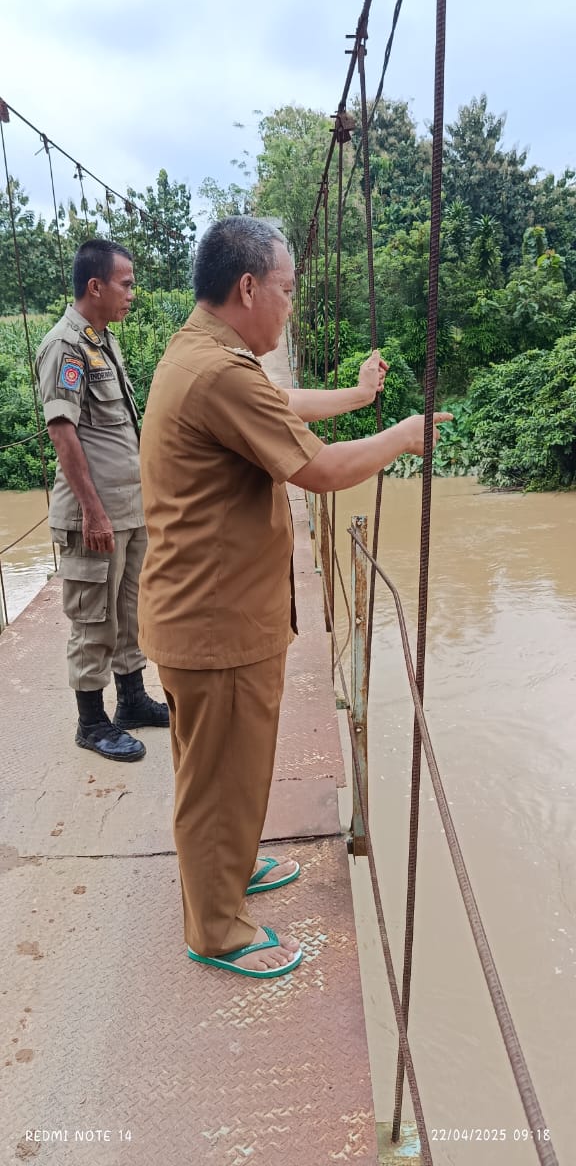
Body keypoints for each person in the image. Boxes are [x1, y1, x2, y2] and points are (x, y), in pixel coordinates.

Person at [138, 216, 451, 979]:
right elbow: (322, 471)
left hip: (212, 611)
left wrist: (358, 395)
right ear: (248, 288)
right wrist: (403, 436)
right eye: (286, 290)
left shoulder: (206, 353)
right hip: (216, 622)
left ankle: (231, 868)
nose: (291, 305)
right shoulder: (221, 372)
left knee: (230, 768)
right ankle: (216, 929)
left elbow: (280, 410)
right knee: (217, 780)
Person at [35, 238, 169, 763]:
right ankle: (91, 723)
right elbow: (62, 432)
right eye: (125, 284)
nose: (132, 293)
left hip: (127, 510)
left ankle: (131, 700)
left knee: (129, 611)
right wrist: (92, 511)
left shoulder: (101, 340)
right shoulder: (65, 346)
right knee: (94, 619)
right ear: (95, 286)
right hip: (95, 515)